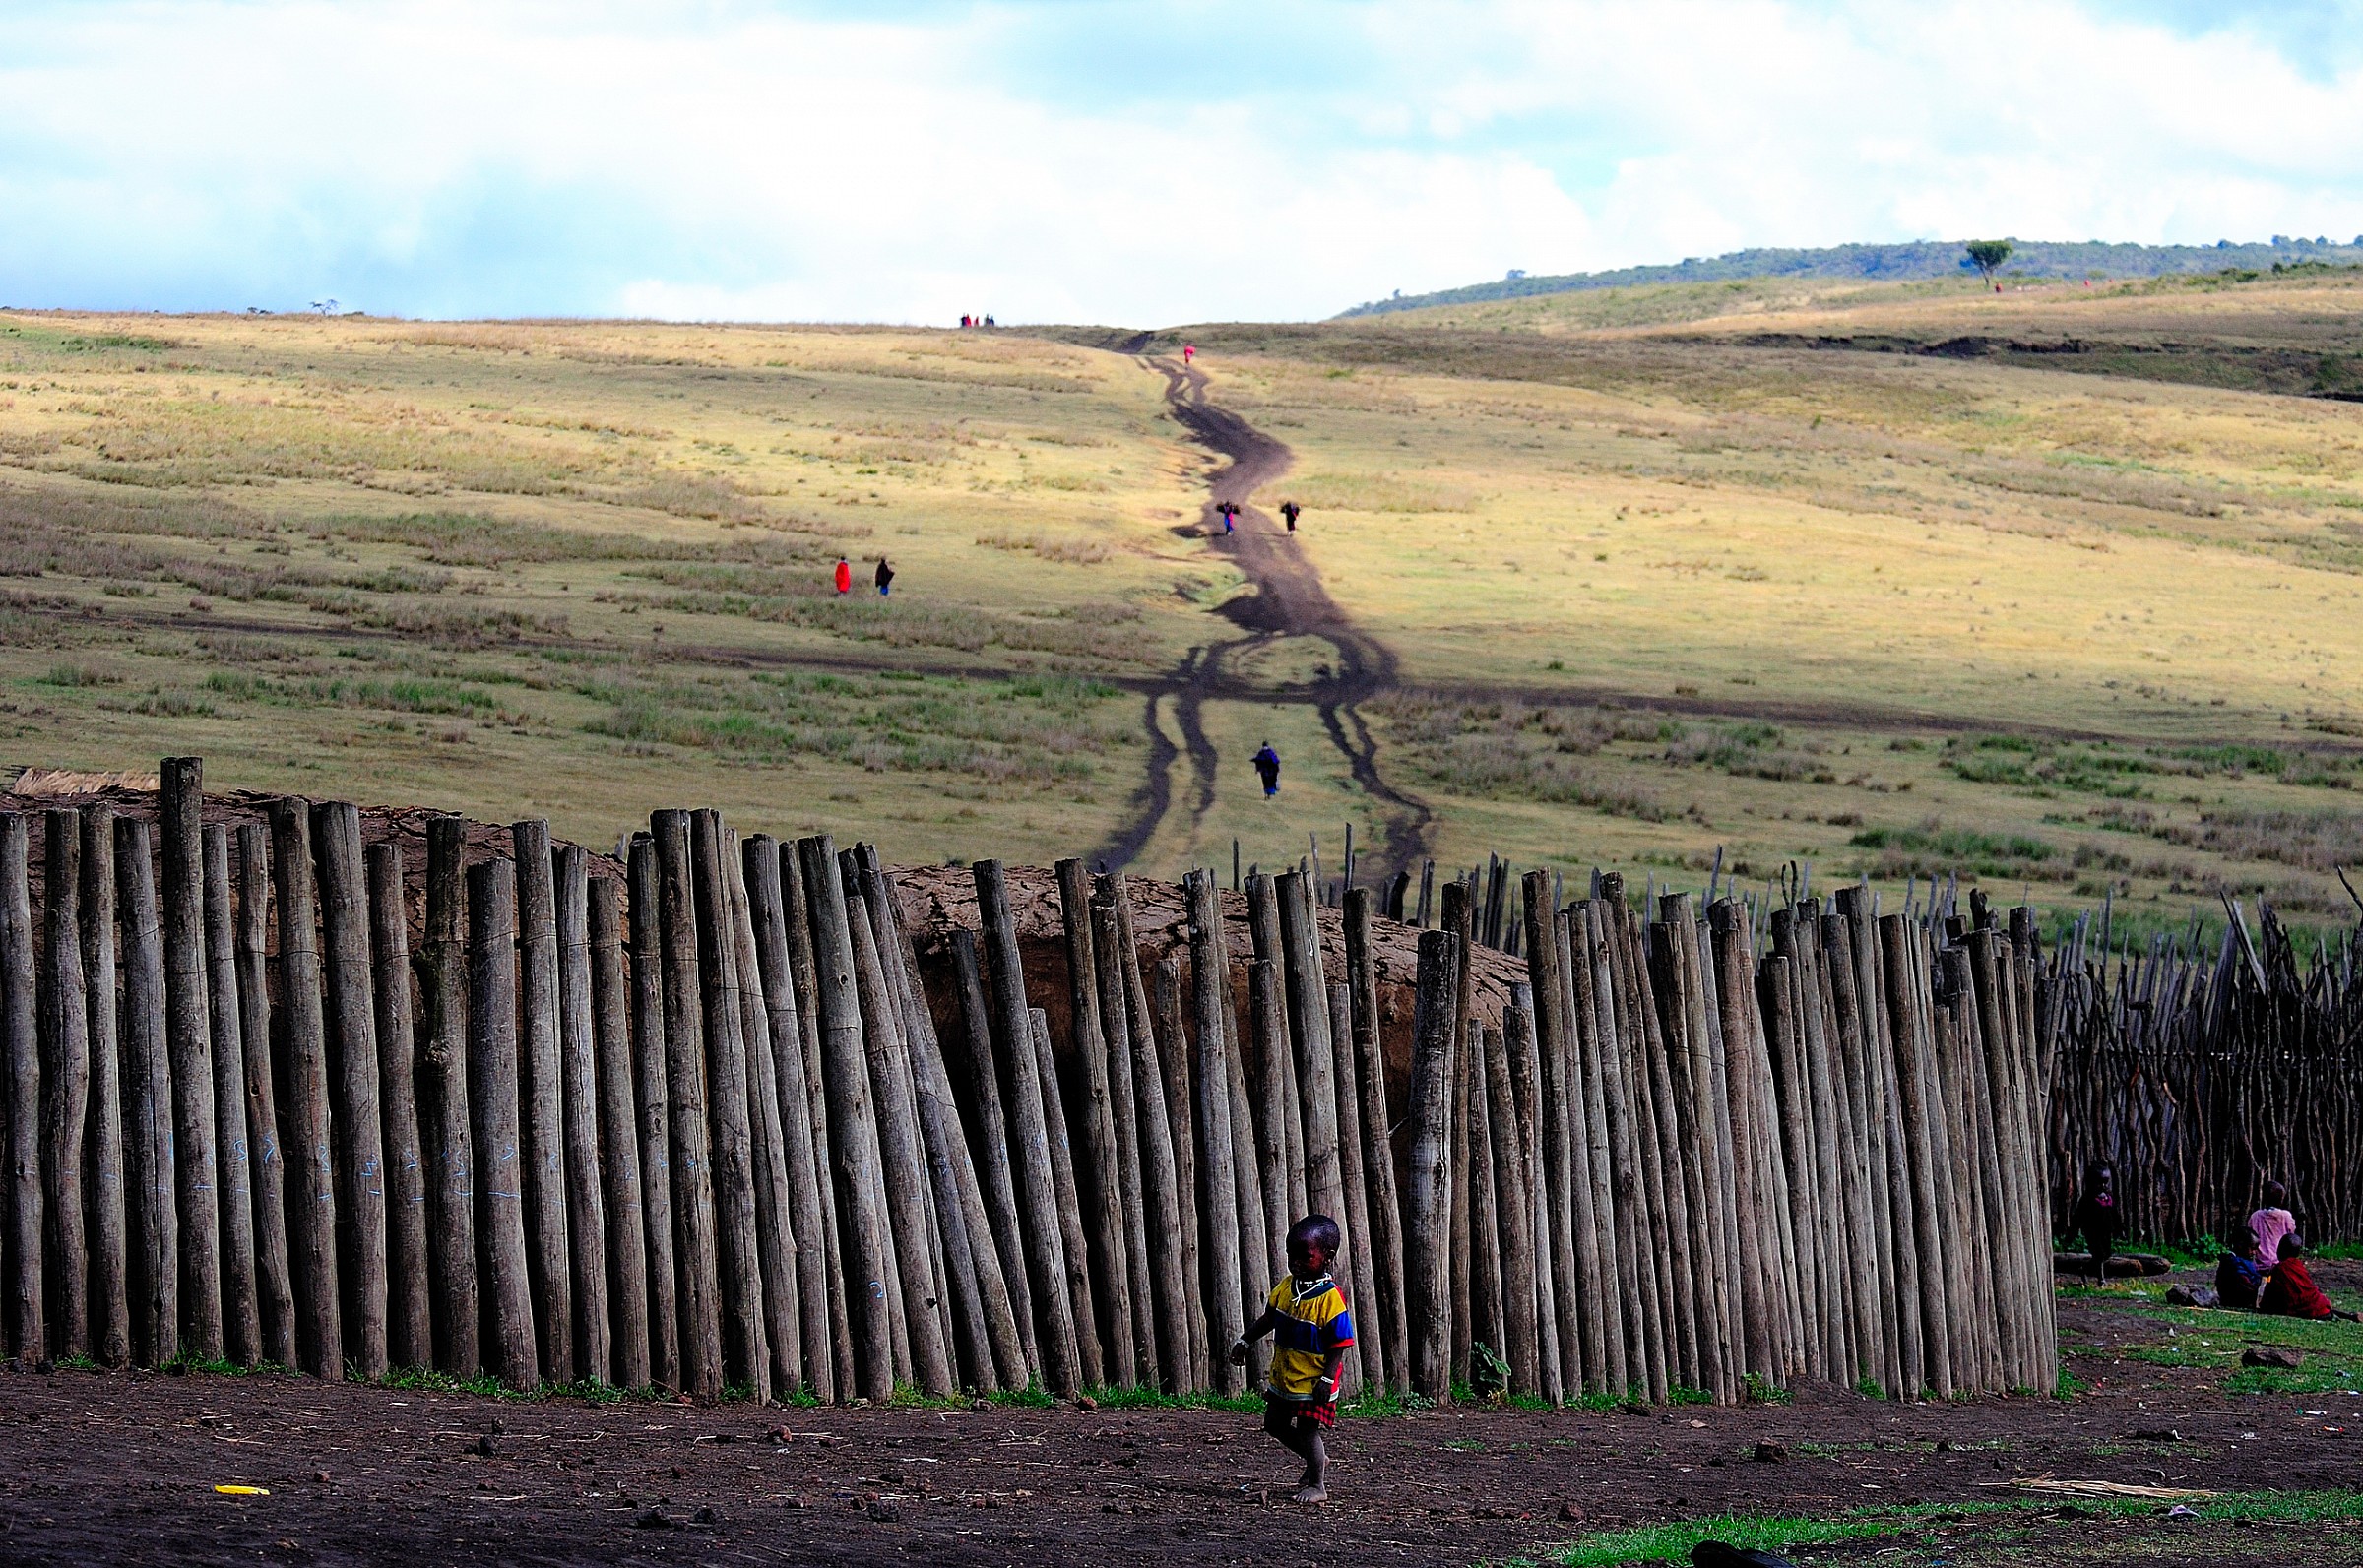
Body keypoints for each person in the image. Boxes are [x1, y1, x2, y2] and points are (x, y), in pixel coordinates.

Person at [1229, 1214, 1355, 1504]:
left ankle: (1318, 1485)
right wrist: (1245, 1340)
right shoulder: (1287, 1287)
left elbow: (1340, 1343)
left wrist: (1327, 1378)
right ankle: (1317, 1460)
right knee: (1274, 1423)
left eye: (1305, 1256)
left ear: (1327, 1257)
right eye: (1291, 1255)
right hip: (1286, 1375)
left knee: (1308, 1429)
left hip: (1313, 1379)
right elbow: (1270, 1318)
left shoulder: (1330, 1298)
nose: (1296, 1262)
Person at [2261, 1234, 2360, 1321]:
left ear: (2281, 1250)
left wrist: (2264, 1305)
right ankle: (2349, 1316)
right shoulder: (2298, 1265)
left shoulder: (2280, 1269)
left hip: (2304, 1309)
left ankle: (2349, 1316)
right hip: (2320, 1304)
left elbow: (2270, 1294)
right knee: (2320, 1309)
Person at [2074, 1163, 2119, 1286]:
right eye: (2099, 1183)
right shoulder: (2087, 1199)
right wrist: (2073, 1231)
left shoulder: (2108, 1198)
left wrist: (2119, 1229)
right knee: (2098, 1254)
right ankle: (2101, 1279)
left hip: (2106, 1231)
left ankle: (2084, 1269)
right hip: (2093, 1231)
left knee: (2106, 1255)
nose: (2103, 1186)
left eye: (2105, 1183)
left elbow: (2115, 1214)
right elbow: (2078, 1216)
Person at [2215, 1218, 2266, 1310]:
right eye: (2252, 1248)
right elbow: (2245, 1284)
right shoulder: (2230, 1261)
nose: (2254, 1252)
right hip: (2233, 1303)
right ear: (2241, 1245)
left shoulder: (2245, 1261)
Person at [2251, 1182, 2296, 1272]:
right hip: (2281, 1264)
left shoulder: (2255, 1216)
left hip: (2260, 1264)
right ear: (2282, 1199)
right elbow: (2292, 1236)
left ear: (2263, 1198)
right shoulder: (2286, 1216)